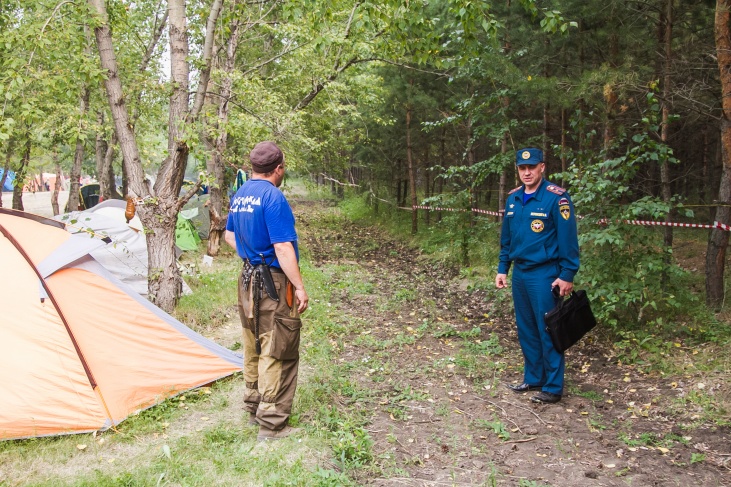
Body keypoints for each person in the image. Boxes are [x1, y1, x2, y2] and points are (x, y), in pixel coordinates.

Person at [225, 141, 309, 440]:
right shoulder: (273, 197)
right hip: (272, 282)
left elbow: (229, 235)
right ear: (279, 168)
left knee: (253, 344)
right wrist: (298, 286)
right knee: (278, 347)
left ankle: (253, 405)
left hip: (247, 279)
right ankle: (272, 424)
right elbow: (283, 248)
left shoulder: (241, 194)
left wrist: (251, 256)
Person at [495, 148, 579, 404]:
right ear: (518, 170)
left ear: (542, 167)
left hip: (545, 274)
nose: (527, 172)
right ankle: (534, 378)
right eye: (522, 168)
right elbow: (507, 239)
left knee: (548, 328)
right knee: (526, 328)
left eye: (532, 167)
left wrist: (567, 273)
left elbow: (568, 240)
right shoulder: (514, 199)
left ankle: (553, 387)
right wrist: (502, 269)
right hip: (520, 273)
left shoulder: (557, 199)